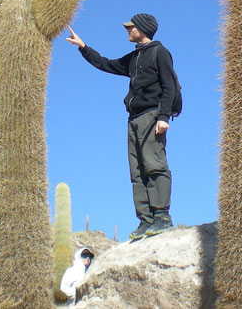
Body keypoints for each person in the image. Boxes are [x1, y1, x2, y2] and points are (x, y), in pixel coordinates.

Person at [66, 13, 177, 240]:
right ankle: (146, 220)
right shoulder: (134, 57)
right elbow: (106, 64)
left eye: (131, 26)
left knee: (154, 165)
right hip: (133, 119)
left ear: (143, 28)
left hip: (152, 116)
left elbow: (169, 86)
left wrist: (164, 116)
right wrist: (83, 47)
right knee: (137, 172)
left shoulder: (159, 52)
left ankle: (162, 217)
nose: (128, 29)